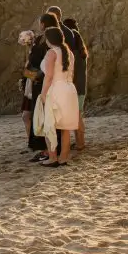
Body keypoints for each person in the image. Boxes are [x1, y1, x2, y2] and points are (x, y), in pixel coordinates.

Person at [36, 27, 79, 167]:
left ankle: (53, 157)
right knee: (65, 127)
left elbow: (48, 77)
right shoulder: (69, 53)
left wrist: (43, 94)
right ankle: (64, 157)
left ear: (49, 39)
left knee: (50, 124)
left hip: (56, 89)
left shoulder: (51, 53)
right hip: (69, 89)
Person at [27, 13, 59, 162]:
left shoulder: (49, 41)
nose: (39, 25)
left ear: (44, 24)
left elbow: (46, 66)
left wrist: (33, 76)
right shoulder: (49, 39)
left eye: (40, 22)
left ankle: (47, 151)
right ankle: (48, 149)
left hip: (43, 83)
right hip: (41, 82)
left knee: (44, 117)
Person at [63, 18, 90, 150]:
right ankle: (80, 141)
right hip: (81, 88)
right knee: (78, 115)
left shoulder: (73, 54)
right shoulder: (82, 52)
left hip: (74, 88)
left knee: (77, 116)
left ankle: (80, 143)